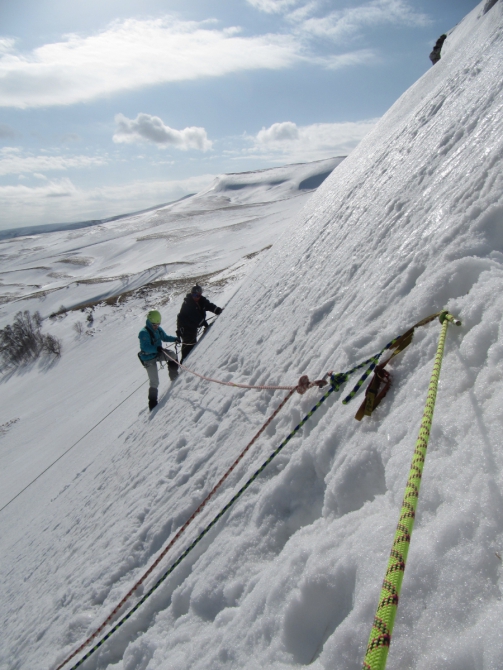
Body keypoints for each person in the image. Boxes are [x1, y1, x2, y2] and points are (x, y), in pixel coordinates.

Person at [138, 310, 180, 410]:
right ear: (149, 322)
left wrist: (175, 339)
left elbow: (164, 337)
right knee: (154, 382)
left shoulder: (158, 330)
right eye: (154, 325)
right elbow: (145, 347)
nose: (156, 326)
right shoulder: (143, 333)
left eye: (158, 324)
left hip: (157, 353)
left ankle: (174, 376)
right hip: (148, 359)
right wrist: (156, 348)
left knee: (172, 355)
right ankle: (152, 405)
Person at [176, 285, 223, 362]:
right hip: (185, 327)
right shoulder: (187, 304)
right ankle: (183, 363)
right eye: (194, 295)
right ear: (191, 294)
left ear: (200, 294)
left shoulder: (202, 301)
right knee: (188, 345)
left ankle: (189, 361)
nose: (196, 297)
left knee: (192, 345)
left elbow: (209, 305)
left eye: (198, 295)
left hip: (193, 326)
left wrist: (217, 310)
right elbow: (194, 316)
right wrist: (204, 323)